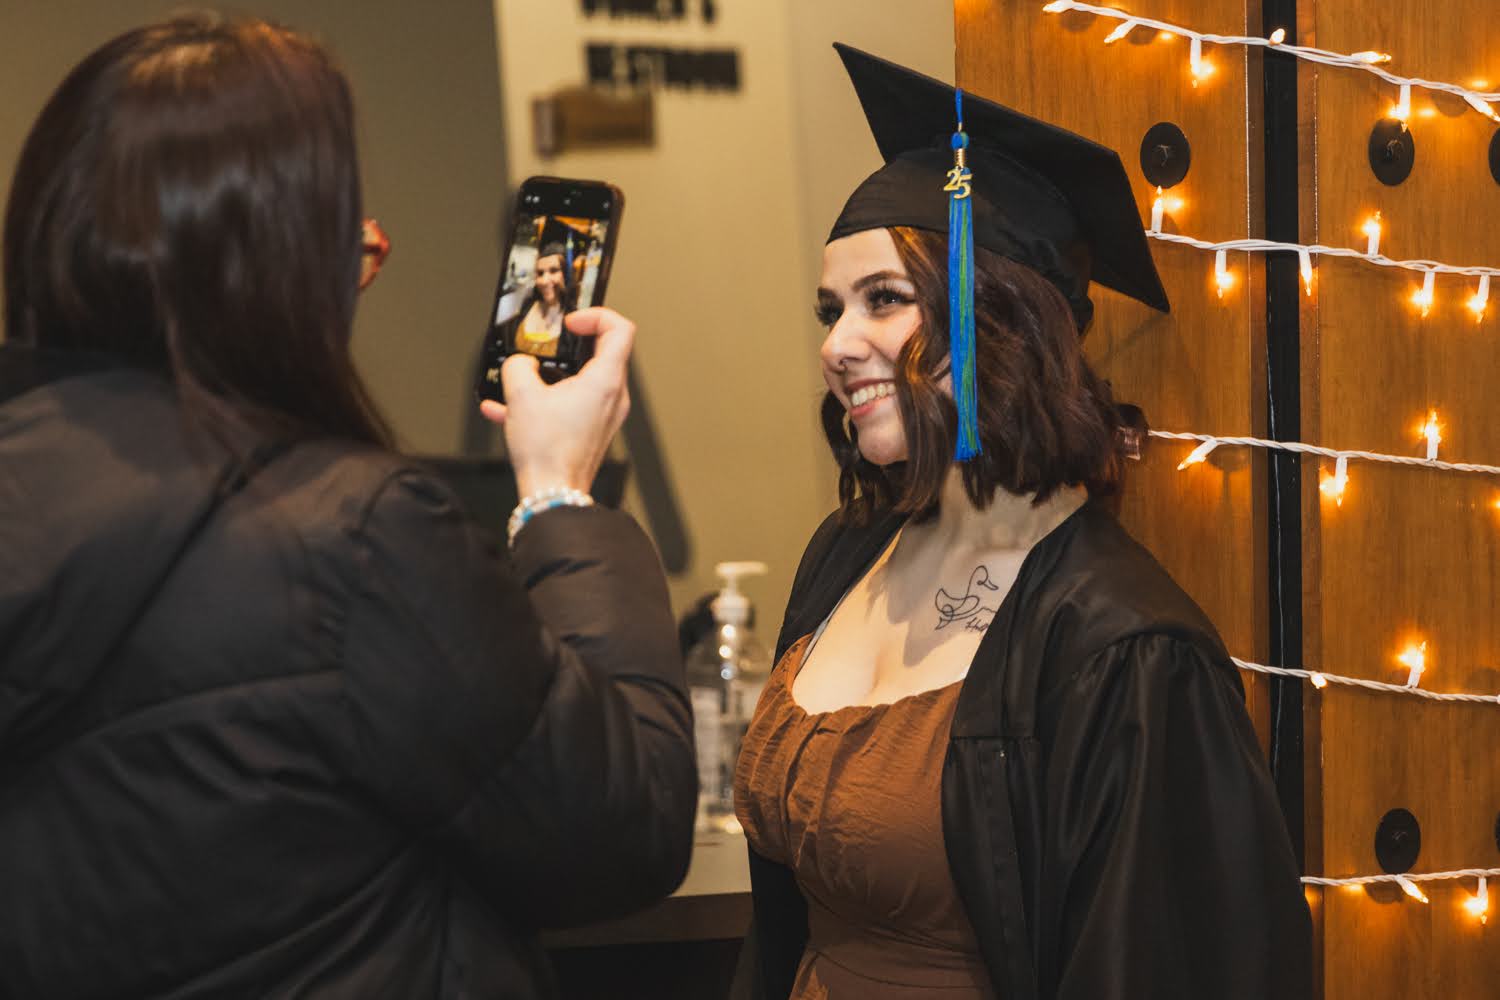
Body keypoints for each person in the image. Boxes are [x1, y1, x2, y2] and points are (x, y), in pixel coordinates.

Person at [0, 14, 694, 999]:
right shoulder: (357, 541)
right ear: (280, 272)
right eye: (352, 247)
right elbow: (623, 829)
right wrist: (559, 497)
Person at [731, 45, 1312, 1000]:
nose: (836, 345)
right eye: (830, 310)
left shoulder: (1127, 648)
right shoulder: (845, 551)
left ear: (1003, 319)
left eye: (885, 300)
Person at [512, 242, 574, 358]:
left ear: (566, 274)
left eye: (553, 271)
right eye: (540, 273)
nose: (545, 281)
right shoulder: (525, 308)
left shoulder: (574, 320)